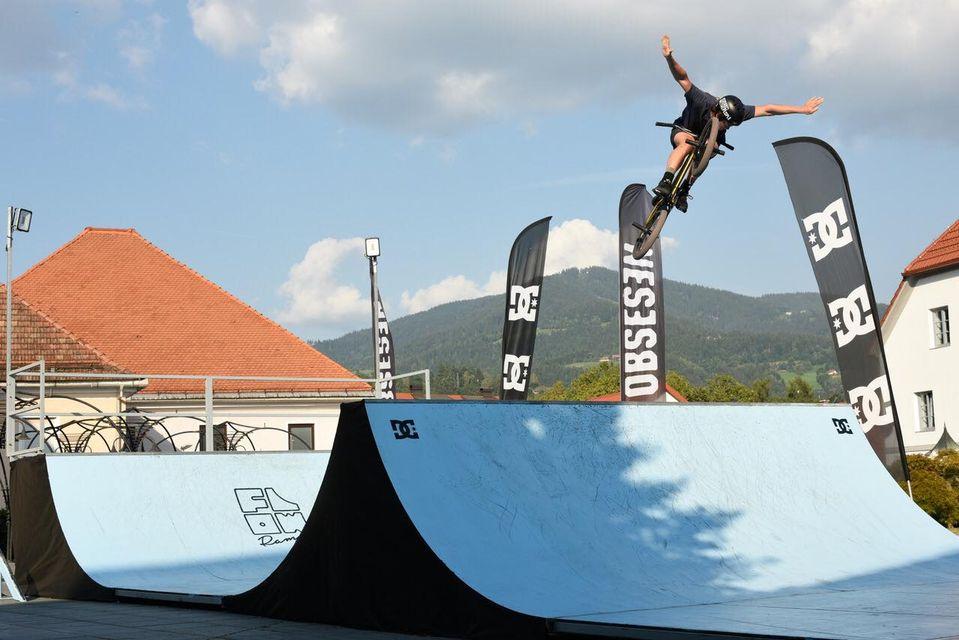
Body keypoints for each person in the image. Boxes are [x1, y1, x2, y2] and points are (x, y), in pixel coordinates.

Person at [655, 35, 823, 211]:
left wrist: (802, 109)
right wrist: (669, 58)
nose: (728, 126)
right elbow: (682, 78)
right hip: (685, 129)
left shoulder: (739, 113)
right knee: (687, 144)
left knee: (710, 149)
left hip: (709, 140)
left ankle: (685, 189)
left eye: (732, 125)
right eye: (726, 123)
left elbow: (768, 109)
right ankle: (666, 180)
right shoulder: (701, 100)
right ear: (717, 113)